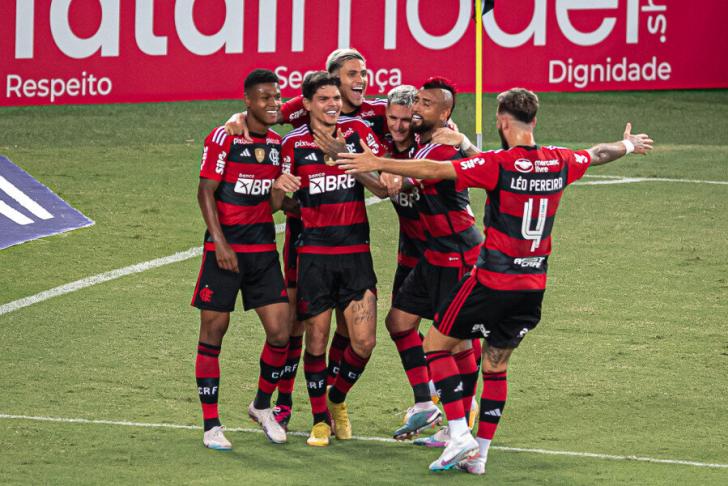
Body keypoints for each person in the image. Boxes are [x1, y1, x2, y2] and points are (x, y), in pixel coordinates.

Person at [336, 87, 654, 474]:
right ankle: (479, 455)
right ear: (533, 121)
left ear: (502, 122)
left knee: (436, 345)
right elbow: (599, 153)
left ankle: (457, 433)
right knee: (496, 365)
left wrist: (377, 159)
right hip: (533, 285)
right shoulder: (560, 160)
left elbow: (436, 171)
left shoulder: (499, 164)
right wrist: (627, 142)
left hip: (492, 279)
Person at [225, 48, 388, 392]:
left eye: (362, 73)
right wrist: (238, 119)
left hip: (351, 241)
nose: (359, 81)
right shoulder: (298, 121)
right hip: (306, 237)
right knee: (299, 325)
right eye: (351, 75)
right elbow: (263, 112)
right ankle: (285, 399)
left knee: (350, 331)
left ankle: (331, 397)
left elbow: (402, 136)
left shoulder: (368, 118)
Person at [191, 69, 301, 449]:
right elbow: (206, 191)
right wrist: (219, 243)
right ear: (248, 101)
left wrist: (286, 195)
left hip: (262, 251)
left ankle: (261, 406)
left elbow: (272, 205)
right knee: (213, 334)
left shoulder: (278, 144)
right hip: (224, 252)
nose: (273, 103)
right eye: (265, 97)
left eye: (276, 96)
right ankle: (211, 425)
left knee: (280, 332)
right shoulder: (223, 138)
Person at [276, 71, 385, 447]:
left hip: (356, 253)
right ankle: (320, 419)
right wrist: (283, 193)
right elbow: (281, 202)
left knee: (364, 343)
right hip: (315, 255)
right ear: (306, 104)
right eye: (324, 99)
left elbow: (384, 189)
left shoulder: (357, 134)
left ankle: (336, 399)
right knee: (317, 342)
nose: (334, 105)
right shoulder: (291, 145)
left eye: (336, 98)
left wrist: (346, 158)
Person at [384, 78, 483, 441]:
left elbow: (411, 179)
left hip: (457, 255)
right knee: (398, 323)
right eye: (417, 102)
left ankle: (461, 421)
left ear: (444, 114)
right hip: (431, 256)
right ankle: (428, 406)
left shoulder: (442, 147)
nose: (415, 109)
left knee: (453, 343)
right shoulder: (422, 143)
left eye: (425, 104)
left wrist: (378, 167)